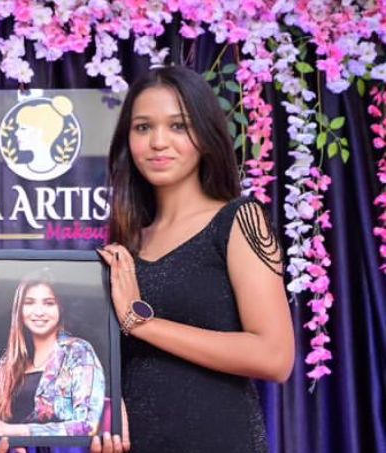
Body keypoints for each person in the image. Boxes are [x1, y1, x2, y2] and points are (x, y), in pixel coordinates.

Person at [93, 65, 295, 453]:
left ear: (205, 135)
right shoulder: (124, 247)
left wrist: (141, 322)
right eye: (143, 127)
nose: (158, 142)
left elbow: (275, 357)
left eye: (178, 126)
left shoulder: (238, 219)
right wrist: (103, 413)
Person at [0, 271, 106, 437]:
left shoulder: (78, 351)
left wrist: (13, 431)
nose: (39, 312)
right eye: (29, 303)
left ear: (60, 308)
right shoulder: (7, 361)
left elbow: (88, 426)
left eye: (49, 303)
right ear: (19, 310)